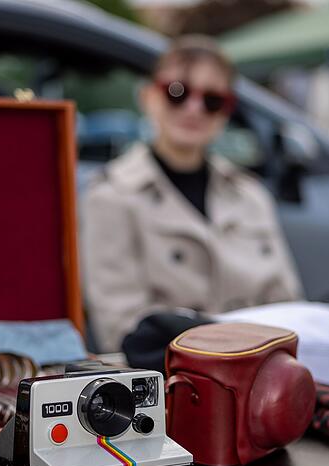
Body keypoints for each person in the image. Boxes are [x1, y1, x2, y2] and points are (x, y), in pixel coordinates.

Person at [81, 35, 302, 353]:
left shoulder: (252, 196)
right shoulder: (111, 196)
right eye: (177, 92)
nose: (194, 108)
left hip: (262, 378)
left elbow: (290, 309)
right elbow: (120, 330)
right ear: (148, 97)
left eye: (212, 100)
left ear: (227, 111)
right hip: (172, 386)